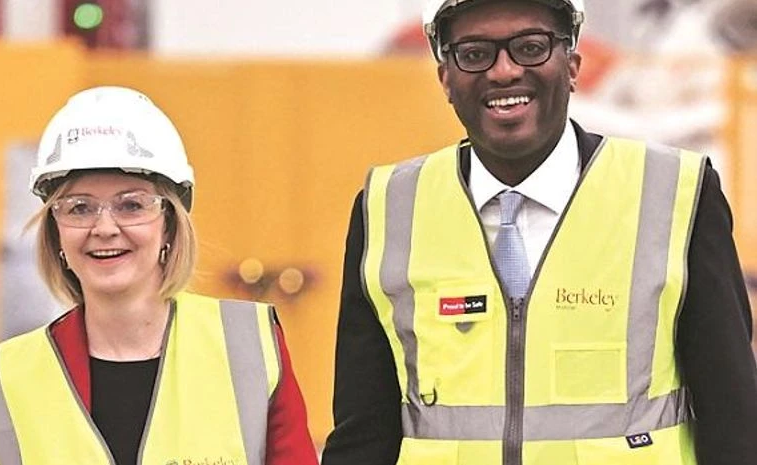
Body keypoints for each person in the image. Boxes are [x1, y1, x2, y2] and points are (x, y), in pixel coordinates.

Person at [321, 1, 757, 464]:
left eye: (531, 48)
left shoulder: (675, 195)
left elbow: (733, 423)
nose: (504, 71)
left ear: (572, 65)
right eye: (474, 54)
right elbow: (363, 434)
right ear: (445, 77)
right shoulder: (389, 209)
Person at [0, 86, 319, 465]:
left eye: (131, 205)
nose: (104, 228)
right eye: (79, 208)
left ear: (169, 224)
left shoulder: (247, 347)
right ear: (55, 233)